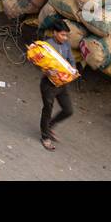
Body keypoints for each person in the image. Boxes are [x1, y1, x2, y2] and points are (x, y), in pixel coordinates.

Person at [39, 20, 76, 150]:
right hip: (48, 84)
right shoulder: (47, 46)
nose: (65, 38)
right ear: (55, 33)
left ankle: (50, 125)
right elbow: (38, 63)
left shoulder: (66, 45)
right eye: (62, 35)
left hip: (62, 84)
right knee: (47, 110)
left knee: (68, 110)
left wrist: (73, 70)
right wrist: (47, 71)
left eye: (66, 35)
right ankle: (45, 137)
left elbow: (71, 59)